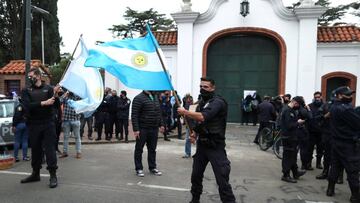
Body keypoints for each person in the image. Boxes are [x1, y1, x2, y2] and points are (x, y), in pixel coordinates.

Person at [178, 77, 236, 203]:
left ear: (213, 88)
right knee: (196, 176)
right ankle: (195, 199)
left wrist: (185, 112)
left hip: (216, 146)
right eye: (201, 86)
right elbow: (200, 123)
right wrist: (195, 134)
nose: (202, 89)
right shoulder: (201, 103)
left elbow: (204, 117)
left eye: (206, 87)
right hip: (202, 146)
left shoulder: (218, 102)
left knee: (222, 179)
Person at [21, 68, 59, 188]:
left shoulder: (48, 89)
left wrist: (56, 95)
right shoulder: (26, 90)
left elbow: (55, 105)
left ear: (38, 76)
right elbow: (27, 106)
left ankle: (53, 176)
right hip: (34, 124)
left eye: (31, 76)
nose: (29, 78)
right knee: (36, 150)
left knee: (50, 150)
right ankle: (35, 174)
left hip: (48, 123)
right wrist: (43, 103)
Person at [326, 86, 360, 203]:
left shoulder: (333, 106)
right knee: (352, 170)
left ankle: (330, 189)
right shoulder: (346, 109)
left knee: (335, 167)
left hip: (336, 142)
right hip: (348, 144)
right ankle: (355, 196)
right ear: (340, 95)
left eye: (351, 94)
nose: (351, 97)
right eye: (348, 94)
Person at [132, 90, 165, 177]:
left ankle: (152, 167)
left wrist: (161, 124)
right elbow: (134, 115)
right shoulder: (138, 98)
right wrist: (136, 129)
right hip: (142, 129)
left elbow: (159, 112)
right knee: (139, 149)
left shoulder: (155, 97)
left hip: (154, 128)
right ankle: (139, 168)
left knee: (152, 149)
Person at [280, 96, 306, 183]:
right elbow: (289, 125)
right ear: (295, 103)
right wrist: (298, 123)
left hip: (292, 137)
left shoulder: (290, 110)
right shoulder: (287, 110)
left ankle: (295, 172)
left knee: (292, 155)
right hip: (288, 137)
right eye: (298, 104)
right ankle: (286, 175)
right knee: (288, 156)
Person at [59, 91, 82, 159]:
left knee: (77, 137)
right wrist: (65, 94)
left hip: (75, 119)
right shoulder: (65, 96)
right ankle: (65, 152)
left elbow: (82, 103)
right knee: (66, 137)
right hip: (66, 120)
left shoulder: (78, 96)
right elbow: (59, 101)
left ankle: (78, 152)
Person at [307, 91, 325, 169]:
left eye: (318, 97)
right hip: (311, 131)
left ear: (321, 97)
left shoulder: (324, 106)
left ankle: (318, 163)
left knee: (320, 148)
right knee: (310, 148)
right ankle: (309, 163)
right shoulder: (310, 106)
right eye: (316, 97)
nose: (317, 98)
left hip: (321, 131)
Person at [12, 96, 30, 162]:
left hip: (19, 124)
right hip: (26, 124)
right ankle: (25, 157)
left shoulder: (19, 106)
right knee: (25, 141)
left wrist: (14, 125)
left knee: (17, 141)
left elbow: (17, 116)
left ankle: (16, 157)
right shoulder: (28, 106)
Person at [182, 93, 194, 158]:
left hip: (194, 125)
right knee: (187, 140)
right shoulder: (186, 104)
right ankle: (187, 153)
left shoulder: (193, 106)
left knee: (197, 140)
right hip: (188, 125)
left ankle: (199, 154)